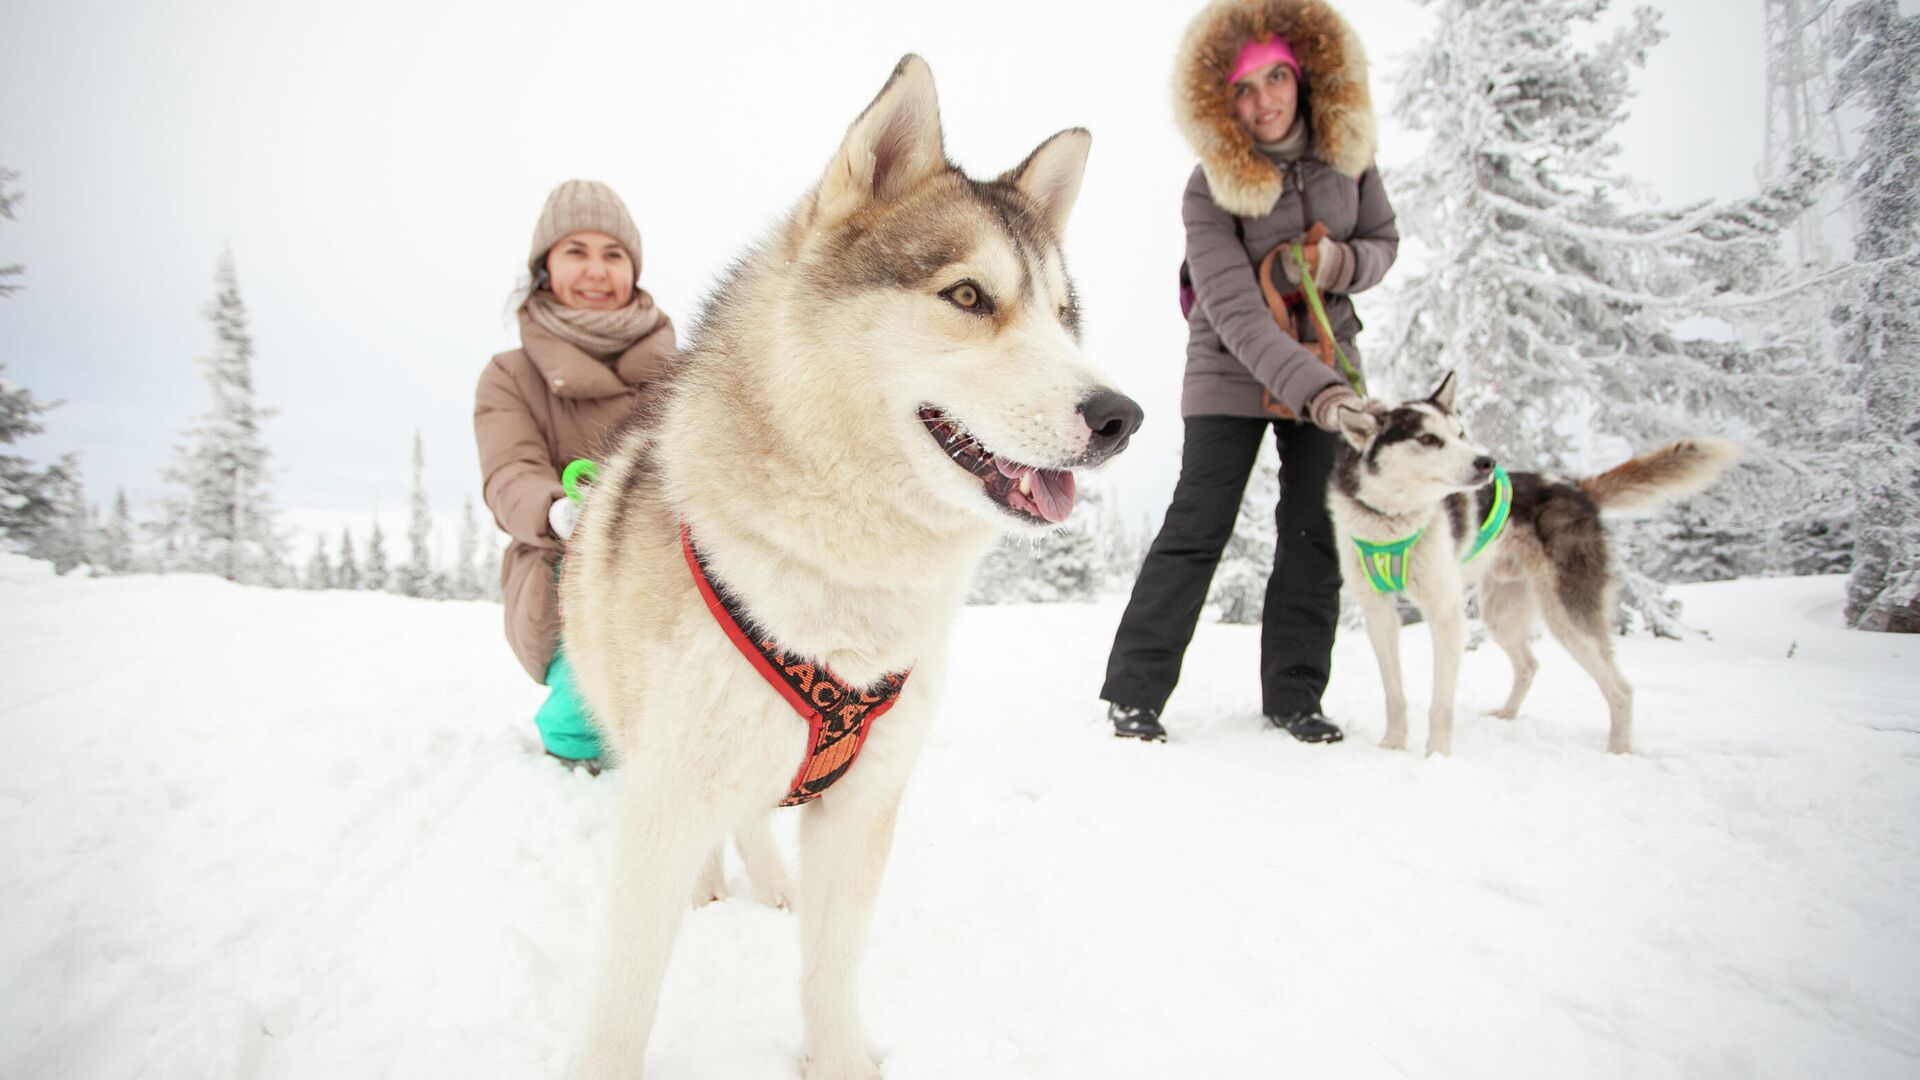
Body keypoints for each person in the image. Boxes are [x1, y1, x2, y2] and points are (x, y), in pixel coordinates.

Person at [1102, 0, 1398, 743]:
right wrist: (1324, 396)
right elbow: (1235, 313)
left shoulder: (1351, 159)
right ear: (1220, 101)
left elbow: (1384, 242)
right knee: (1198, 526)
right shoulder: (1209, 189)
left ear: (1305, 75)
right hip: (1229, 373)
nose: (1263, 100)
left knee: (1314, 532)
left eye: (1276, 78)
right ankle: (1133, 694)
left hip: (1330, 366)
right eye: (1243, 88)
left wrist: (1342, 263)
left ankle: (1295, 698)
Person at [474, 179, 675, 767]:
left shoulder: (680, 370)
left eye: (613, 254)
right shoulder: (510, 376)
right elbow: (509, 473)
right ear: (545, 268)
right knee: (582, 722)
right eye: (576, 252)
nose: (596, 270)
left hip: (674, 563)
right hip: (567, 571)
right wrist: (560, 511)